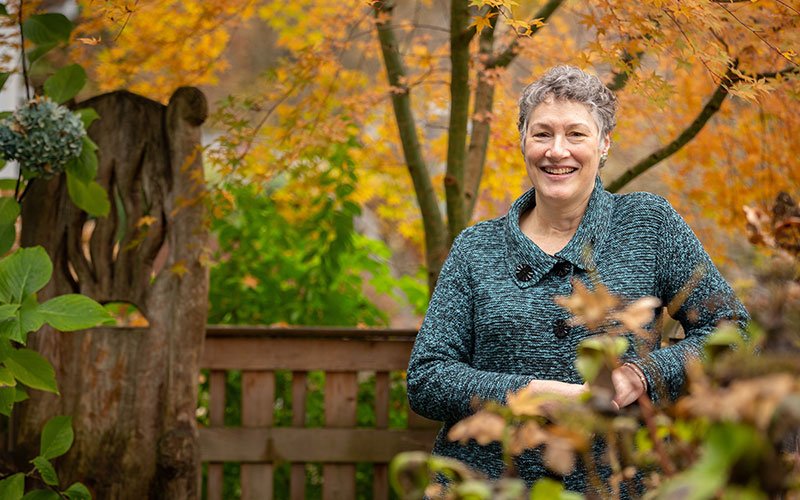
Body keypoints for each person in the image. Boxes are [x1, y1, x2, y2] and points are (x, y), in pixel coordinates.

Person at [406, 65, 748, 494]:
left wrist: (642, 376)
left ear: (604, 144)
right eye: (542, 133)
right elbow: (426, 379)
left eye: (576, 134)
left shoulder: (650, 225)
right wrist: (527, 395)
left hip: (614, 485)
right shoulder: (476, 247)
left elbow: (733, 331)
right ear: (523, 141)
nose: (557, 150)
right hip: (485, 486)